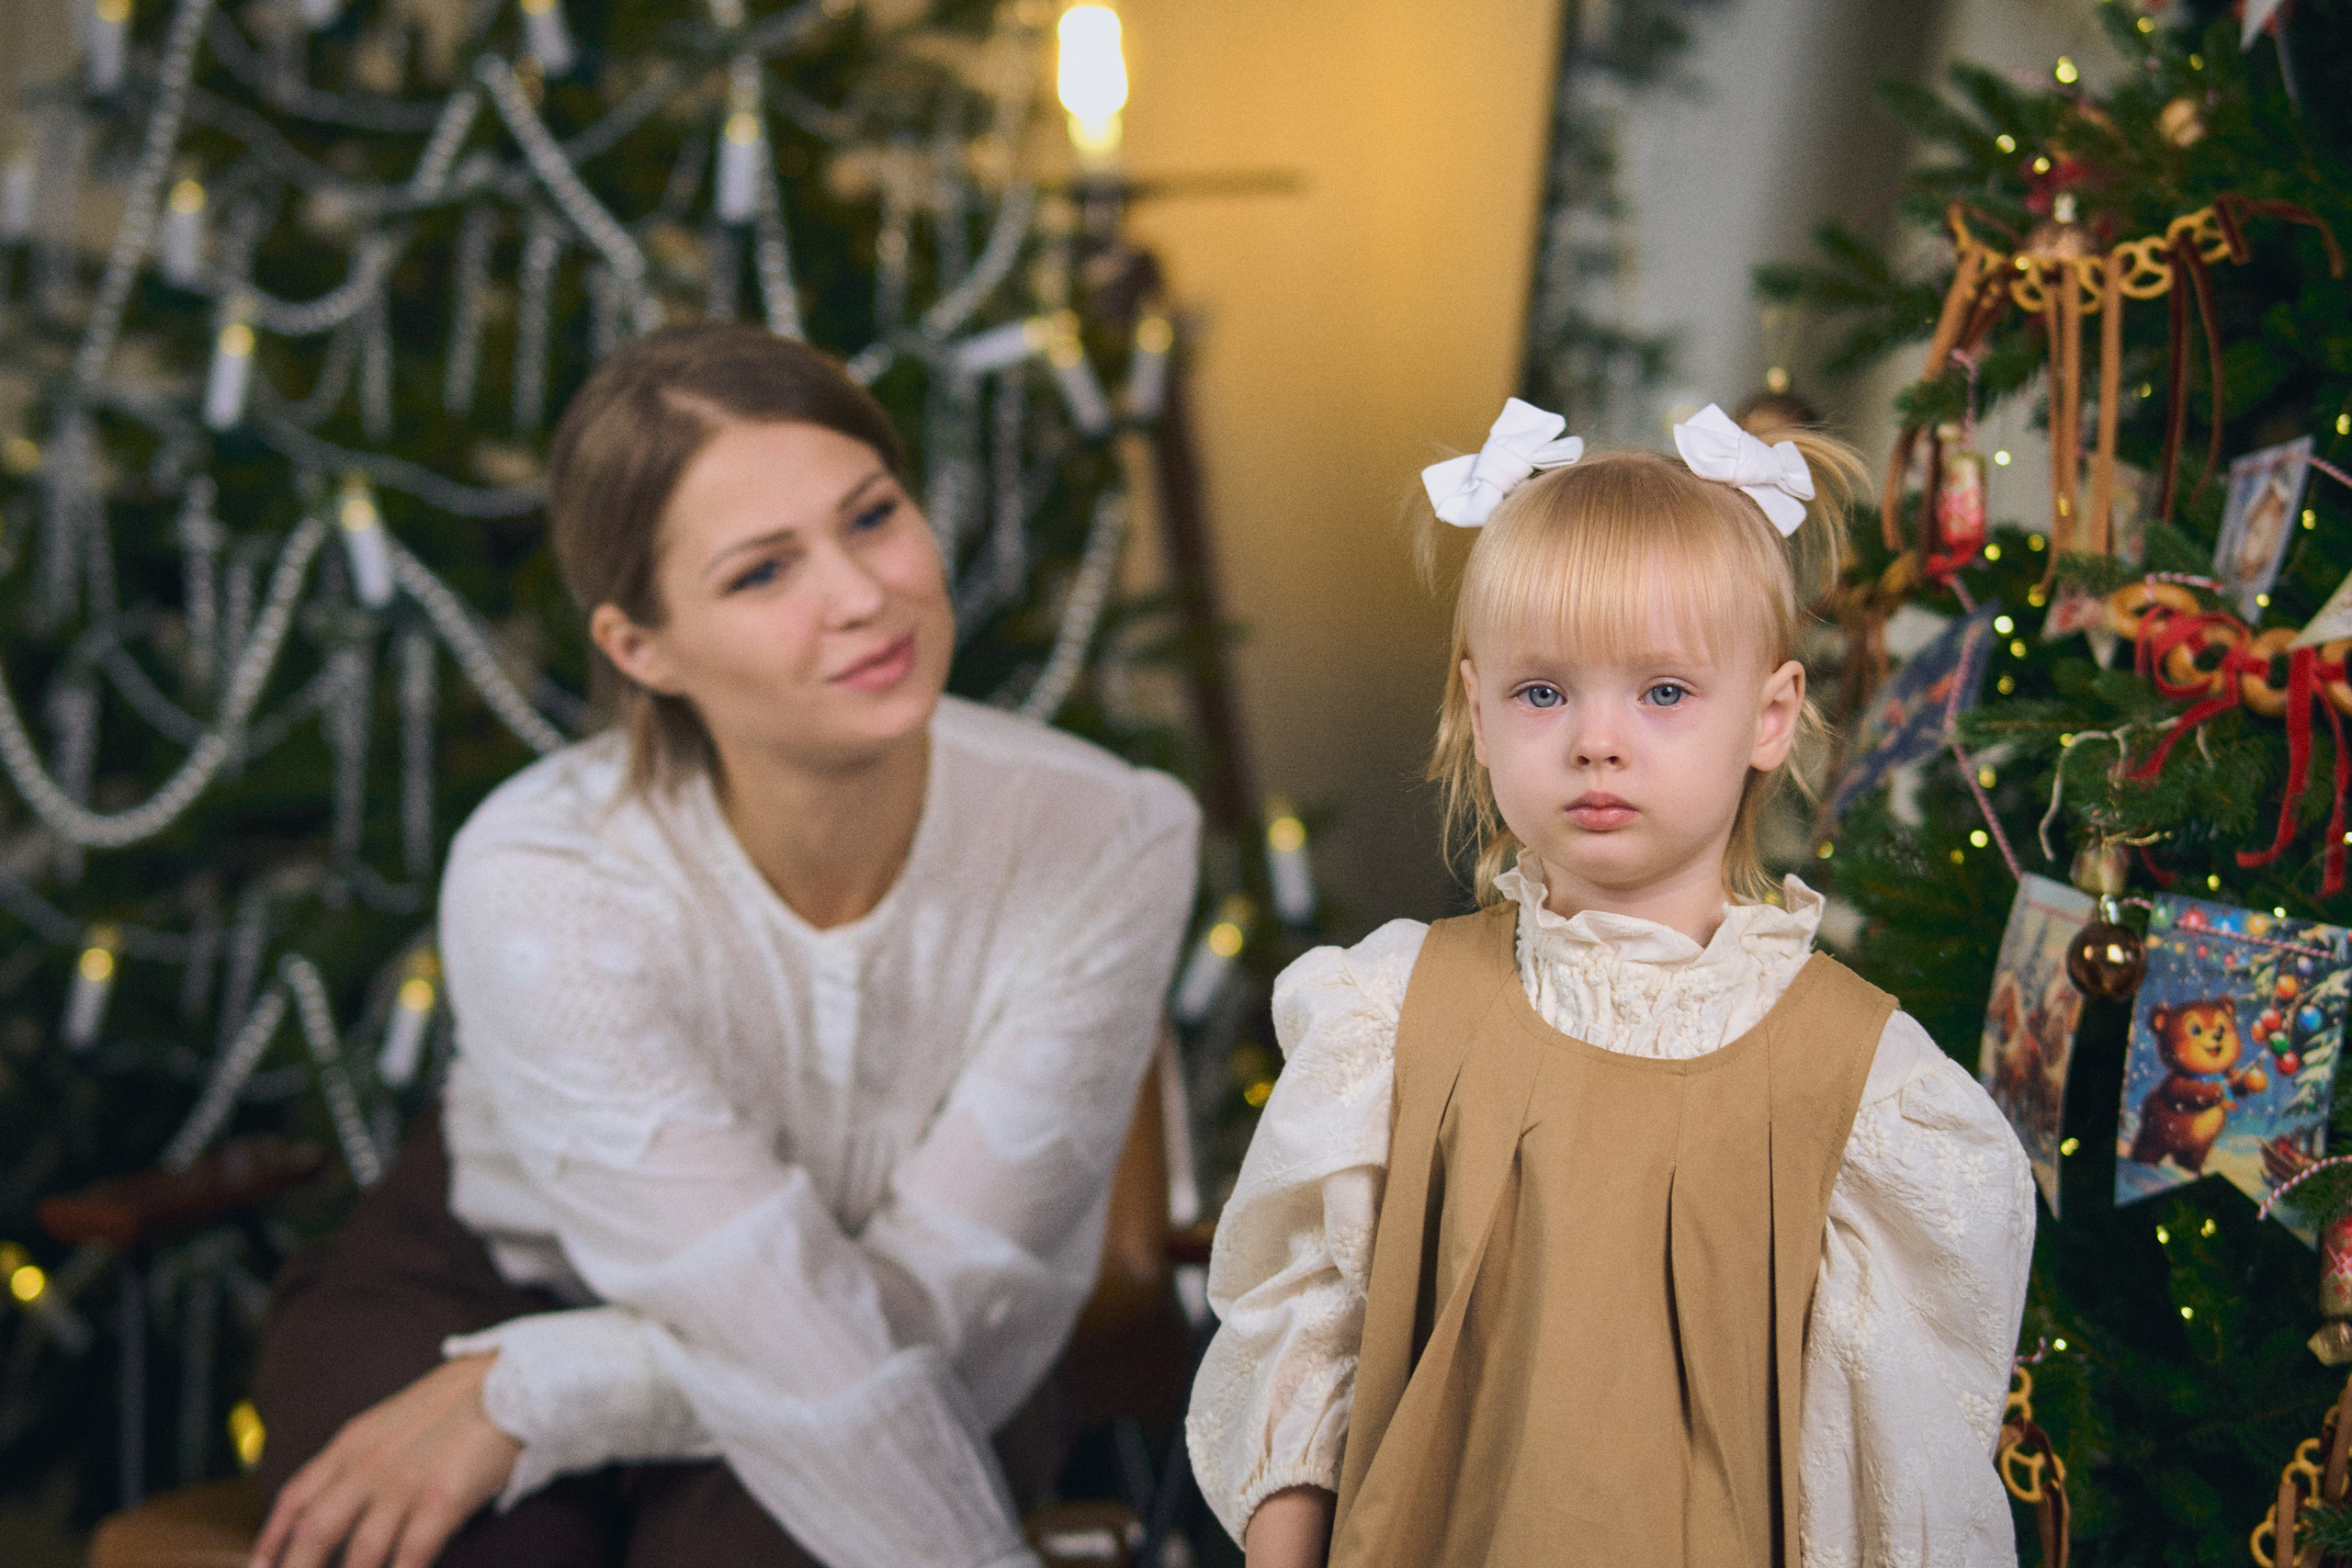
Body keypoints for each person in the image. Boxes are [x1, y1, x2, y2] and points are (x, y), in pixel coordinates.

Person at [249, 322, 1200, 1568]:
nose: (862, 594)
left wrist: (539, 1391)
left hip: (918, 1329)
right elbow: (743, 1304)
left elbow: (947, 1306)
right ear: (641, 648)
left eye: (871, 515)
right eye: (763, 572)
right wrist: (514, 1356)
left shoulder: (1112, 835)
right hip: (490, 1280)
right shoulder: (543, 869)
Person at [1184, 399, 2035, 1567]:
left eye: (1663, 693)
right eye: (1543, 693)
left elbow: (1891, 1475)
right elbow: (1302, 1331)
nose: (1596, 739)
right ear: (1475, 716)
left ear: (1771, 716)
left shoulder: (1866, 1089)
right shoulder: (1391, 1017)